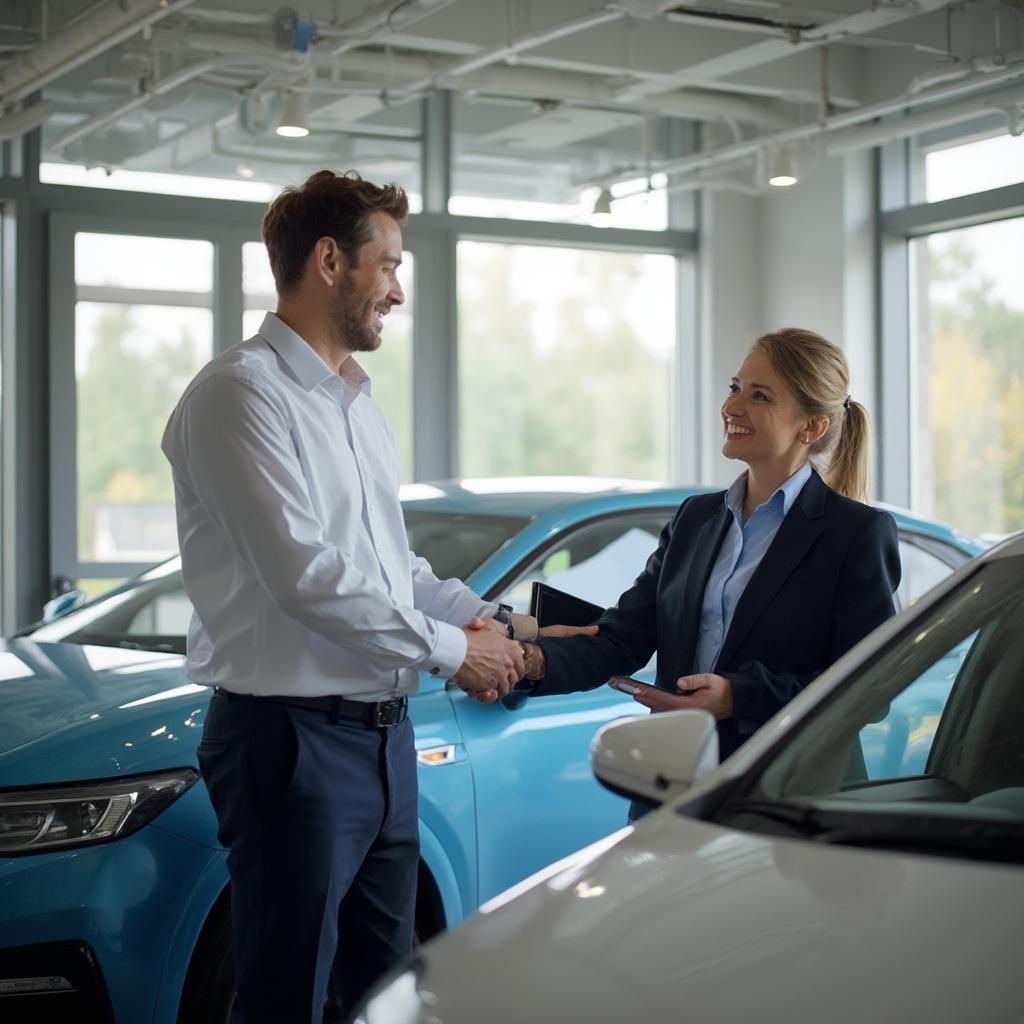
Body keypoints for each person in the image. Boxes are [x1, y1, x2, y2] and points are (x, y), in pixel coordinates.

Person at [161, 170, 536, 1023]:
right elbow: (305, 577)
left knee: (386, 994)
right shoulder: (238, 395)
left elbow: (390, 571)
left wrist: (482, 620)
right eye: (389, 264)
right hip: (289, 744)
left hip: (382, 742)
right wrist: (456, 653)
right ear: (330, 260)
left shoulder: (358, 409)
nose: (398, 291)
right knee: (285, 995)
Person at [516, 327, 901, 776]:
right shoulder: (695, 519)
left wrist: (738, 697)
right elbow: (627, 636)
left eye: (760, 396)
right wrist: (528, 661)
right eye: (736, 388)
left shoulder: (856, 532)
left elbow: (869, 692)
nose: (732, 406)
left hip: (788, 795)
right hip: (676, 781)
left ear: (812, 426)